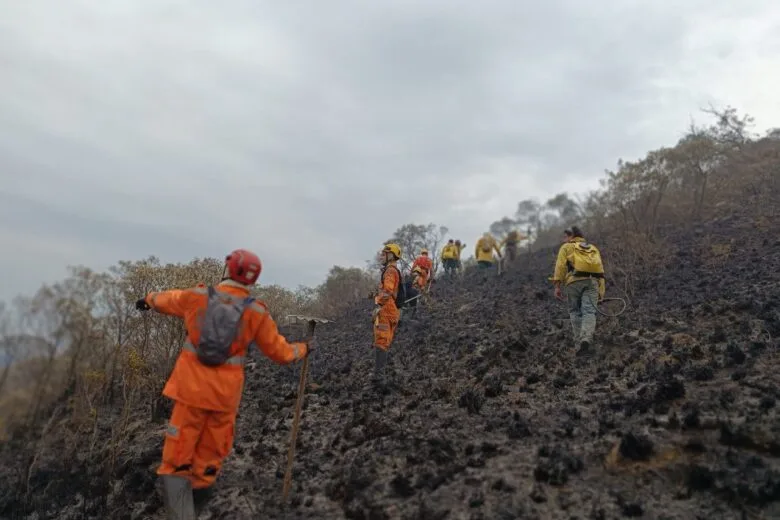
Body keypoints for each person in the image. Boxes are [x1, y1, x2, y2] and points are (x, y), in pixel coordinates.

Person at [135, 249, 312, 517]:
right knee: (208, 460)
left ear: (228, 269)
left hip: (190, 391)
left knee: (176, 460)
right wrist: (303, 349)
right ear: (253, 279)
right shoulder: (256, 312)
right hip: (224, 399)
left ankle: (181, 515)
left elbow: (165, 299)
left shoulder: (197, 297)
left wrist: (147, 300)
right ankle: (199, 507)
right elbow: (282, 353)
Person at [551, 227, 606, 354]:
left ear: (571, 236)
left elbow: (560, 266)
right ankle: (586, 338)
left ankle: (578, 343)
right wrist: (601, 293)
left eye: (565, 237)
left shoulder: (566, 247)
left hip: (573, 282)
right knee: (589, 312)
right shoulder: (593, 248)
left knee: (575, 312)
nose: (563, 240)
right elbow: (601, 271)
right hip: (592, 282)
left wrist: (557, 286)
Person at [373, 243, 402, 384]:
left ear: (391, 256)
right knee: (383, 342)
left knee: (381, 342)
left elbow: (388, 290)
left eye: (385, 254)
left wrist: (379, 305)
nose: (382, 256)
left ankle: (379, 377)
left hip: (387, 310)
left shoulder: (390, 271)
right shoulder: (391, 270)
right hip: (390, 310)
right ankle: (379, 375)